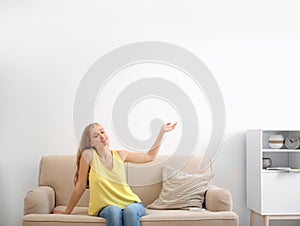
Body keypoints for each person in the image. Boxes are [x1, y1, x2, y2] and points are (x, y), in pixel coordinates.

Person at [53, 121, 177, 226]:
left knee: (130, 212)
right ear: (90, 143)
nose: (101, 135)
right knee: (114, 211)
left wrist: (161, 133)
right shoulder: (88, 156)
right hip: (105, 207)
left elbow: (150, 157)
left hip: (131, 203)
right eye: (96, 135)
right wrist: (66, 212)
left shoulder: (120, 155)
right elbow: (80, 186)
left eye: (102, 131)